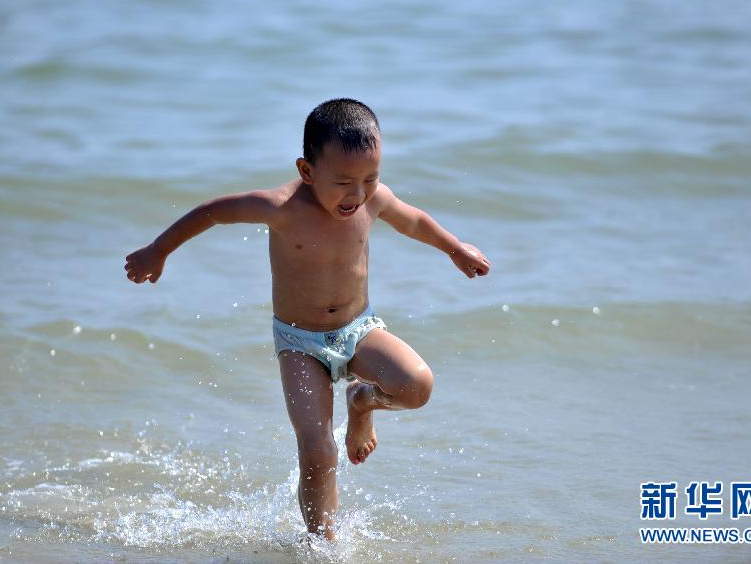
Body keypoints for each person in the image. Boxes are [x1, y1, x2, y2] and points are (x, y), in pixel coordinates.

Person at [124, 98, 490, 540]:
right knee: (317, 452)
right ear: (307, 170)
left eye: (370, 179)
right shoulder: (280, 207)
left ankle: (363, 403)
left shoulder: (374, 201)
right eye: (343, 182)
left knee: (417, 387)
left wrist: (455, 248)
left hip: (358, 330)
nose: (357, 194)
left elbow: (413, 222)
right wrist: (158, 249)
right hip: (299, 342)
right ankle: (324, 545)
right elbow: (213, 212)